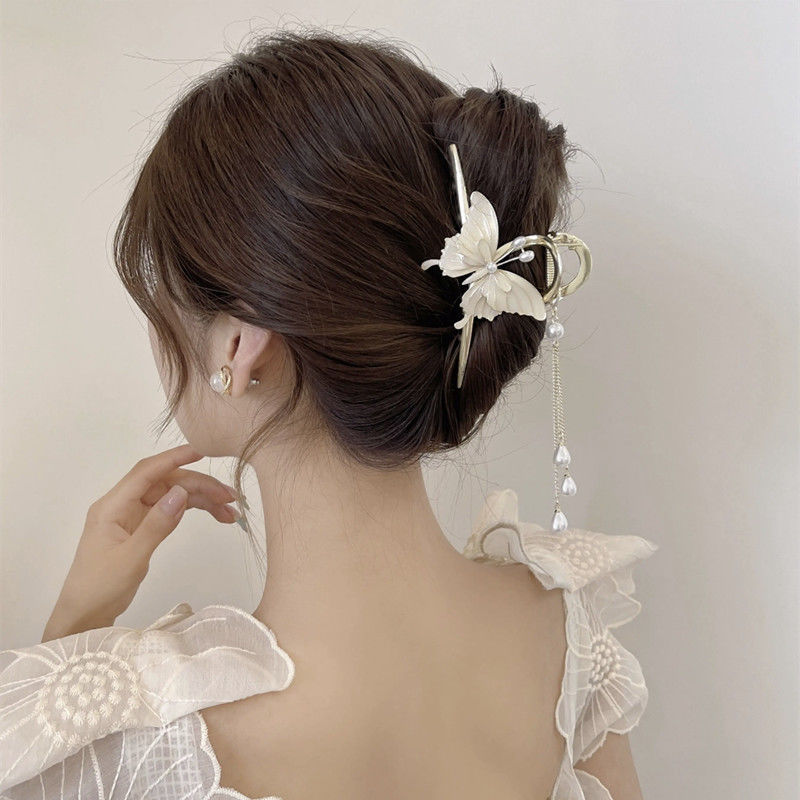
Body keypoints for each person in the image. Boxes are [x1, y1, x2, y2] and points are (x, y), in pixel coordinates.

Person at [0, 27, 659, 800]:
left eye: (159, 305)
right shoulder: (571, 642)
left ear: (241, 346)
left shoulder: (139, 736)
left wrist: (72, 650)